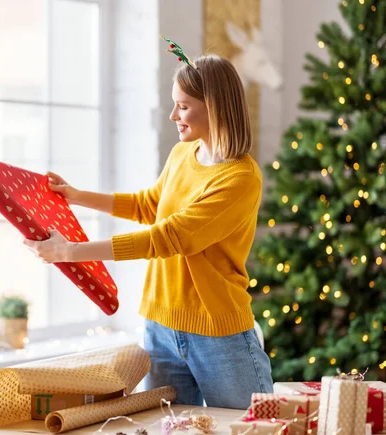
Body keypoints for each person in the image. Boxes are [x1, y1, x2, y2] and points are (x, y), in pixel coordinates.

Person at [23, 39, 273, 409]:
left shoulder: (239, 179)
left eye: (184, 106)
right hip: (159, 326)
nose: (173, 115)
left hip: (219, 336)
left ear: (216, 109)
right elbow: (149, 205)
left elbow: (169, 238)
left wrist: (71, 252)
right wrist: (77, 196)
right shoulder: (182, 153)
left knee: (251, 430)